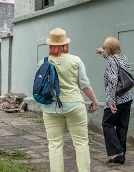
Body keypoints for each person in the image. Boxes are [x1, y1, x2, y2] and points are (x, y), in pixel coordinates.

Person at [40, 28, 99, 172]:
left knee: (54, 144)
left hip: (51, 107)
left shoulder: (44, 62)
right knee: (81, 143)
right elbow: (85, 85)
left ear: (50, 45)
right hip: (74, 106)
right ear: (65, 44)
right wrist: (95, 101)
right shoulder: (76, 60)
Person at [96, 37, 134, 164]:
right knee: (122, 126)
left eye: (105, 47)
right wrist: (102, 52)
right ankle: (121, 154)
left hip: (116, 99)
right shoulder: (123, 58)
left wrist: (111, 101)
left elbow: (112, 81)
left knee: (107, 124)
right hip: (127, 97)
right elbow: (112, 58)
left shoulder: (112, 62)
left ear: (110, 49)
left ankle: (117, 153)